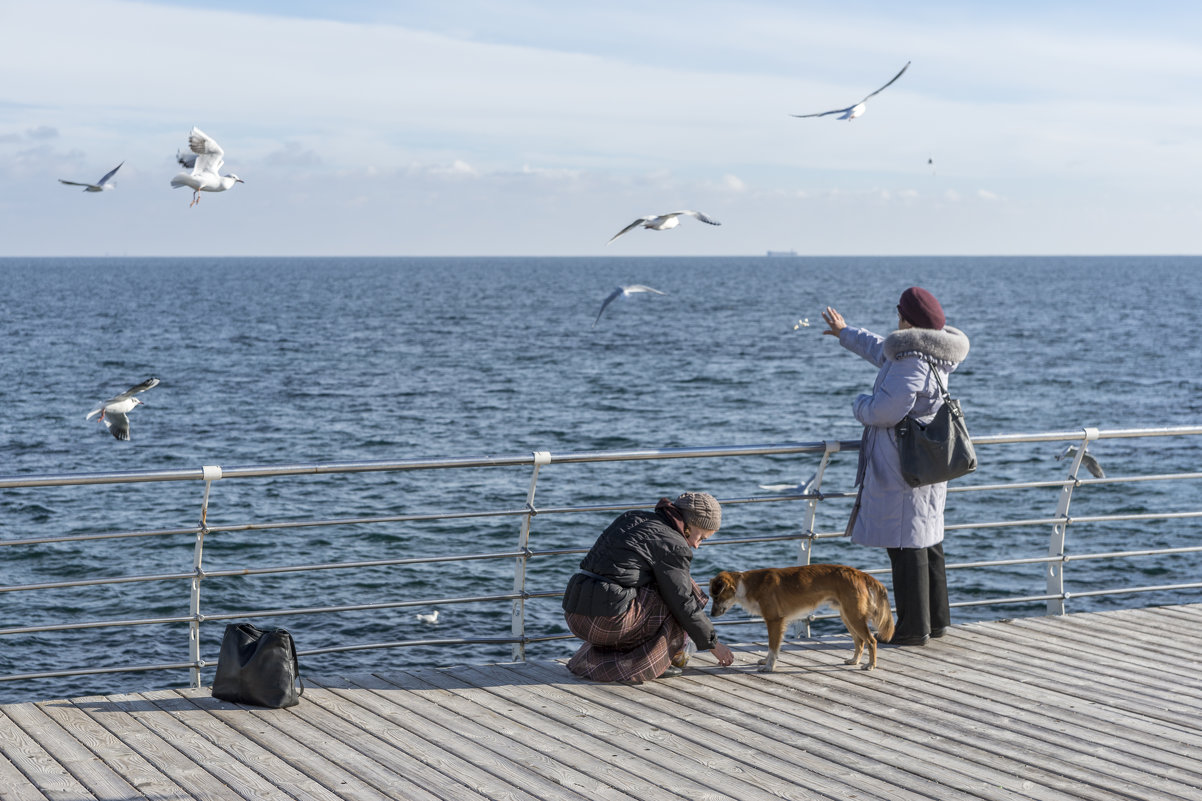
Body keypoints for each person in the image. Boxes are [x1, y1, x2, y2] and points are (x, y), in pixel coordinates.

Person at [821, 287, 970, 646]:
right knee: (926, 539)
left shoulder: (912, 360)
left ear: (906, 318)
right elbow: (882, 349)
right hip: (925, 462)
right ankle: (936, 621)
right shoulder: (929, 352)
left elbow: (886, 412)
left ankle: (912, 629)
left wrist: (859, 405)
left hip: (900, 465)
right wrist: (846, 333)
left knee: (906, 546)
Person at [562, 491, 736, 681]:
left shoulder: (633, 517)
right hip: (606, 622)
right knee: (681, 595)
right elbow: (682, 602)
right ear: (690, 524)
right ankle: (654, 663)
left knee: (671, 585)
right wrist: (713, 645)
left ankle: (626, 658)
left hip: (575, 615)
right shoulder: (673, 543)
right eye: (701, 537)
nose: (696, 545)